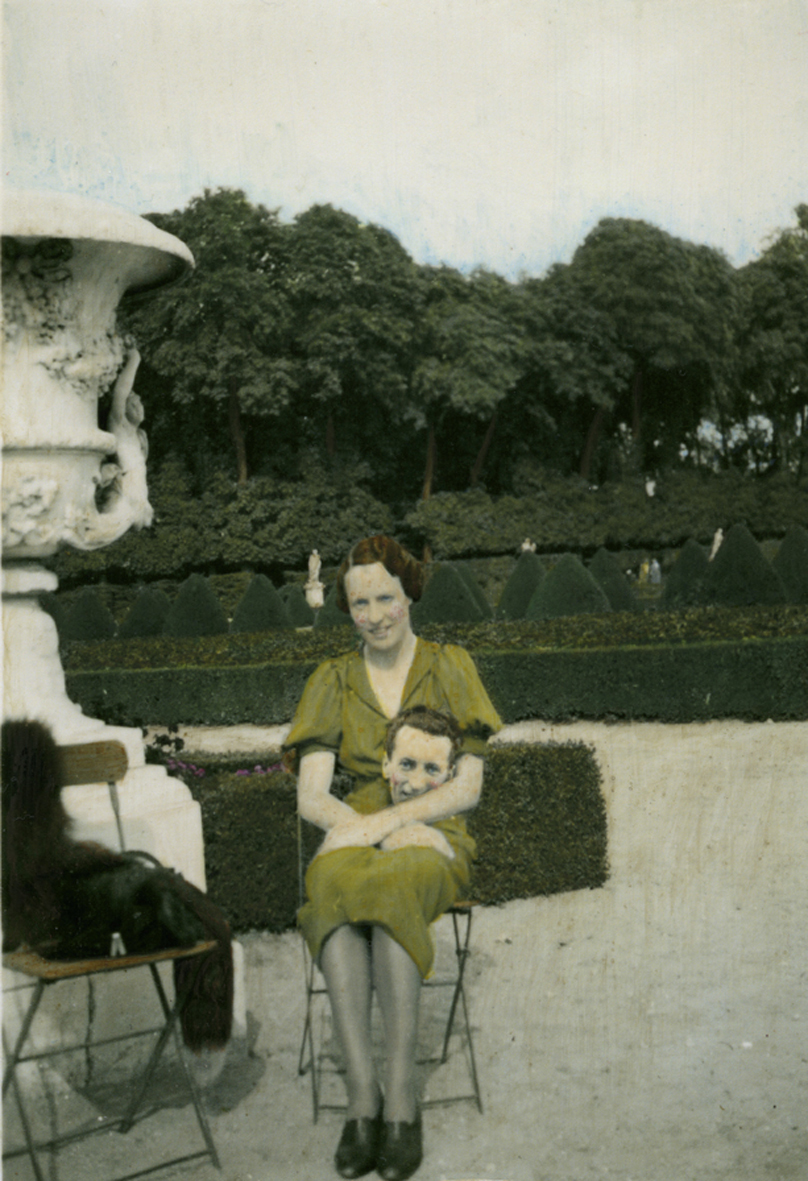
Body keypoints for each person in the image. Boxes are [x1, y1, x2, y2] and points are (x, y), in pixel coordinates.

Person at [284, 535, 501, 1181]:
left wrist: (395, 824)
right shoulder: (331, 678)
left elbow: (467, 786)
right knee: (332, 889)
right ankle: (362, 1101)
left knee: (396, 884)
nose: (374, 614)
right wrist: (364, 827)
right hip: (353, 824)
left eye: (385, 596)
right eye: (359, 603)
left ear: (410, 592)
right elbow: (311, 793)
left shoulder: (450, 663)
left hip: (432, 829)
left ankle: (402, 1100)